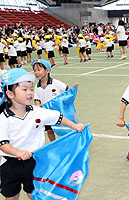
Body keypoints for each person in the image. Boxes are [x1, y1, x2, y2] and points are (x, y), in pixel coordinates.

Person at [0, 68, 85, 200]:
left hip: (35, 162)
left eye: (31, 89)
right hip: (10, 165)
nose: (30, 93)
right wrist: (18, 152)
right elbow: (3, 144)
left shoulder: (37, 111)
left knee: (36, 195)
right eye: (24, 89)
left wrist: (74, 126)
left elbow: (58, 117)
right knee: (11, 196)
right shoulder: (3, 118)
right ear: (10, 94)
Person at [32, 59, 71, 142]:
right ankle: (53, 143)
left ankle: (67, 142)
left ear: (47, 70)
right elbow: (37, 99)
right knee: (49, 130)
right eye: (34, 70)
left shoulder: (55, 83)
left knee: (62, 128)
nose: (36, 72)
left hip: (58, 112)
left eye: (39, 70)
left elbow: (68, 89)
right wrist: (38, 107)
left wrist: (73, 88)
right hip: (46, 113)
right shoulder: (37, 86)